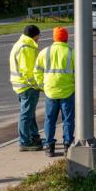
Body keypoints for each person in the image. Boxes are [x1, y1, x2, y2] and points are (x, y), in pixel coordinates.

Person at [34, 27, 75, 157]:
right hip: (67, 91)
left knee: (49, 120)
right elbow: (77, 73)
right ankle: (67, 145)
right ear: (66, 38)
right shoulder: (71, 52)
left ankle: (49, 147)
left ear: (54, 38)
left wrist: (42, 86)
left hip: (50, 91)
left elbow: (37, 71)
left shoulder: (44, 52)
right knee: (68, 119)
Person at [9, 25, 42, 151]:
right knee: (26, 114)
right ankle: (25, 142)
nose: (39, 38)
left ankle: (34, 136)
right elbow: (28, 71)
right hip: (27, 86)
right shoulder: (27, 47)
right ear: (35, 35)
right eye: (39, 36)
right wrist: (37, 85)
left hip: (19, 84)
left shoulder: (20, 43)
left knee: (29, 113)